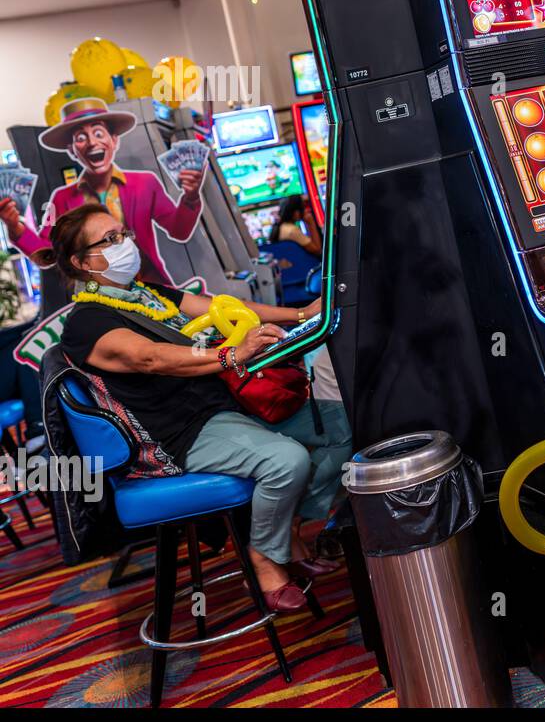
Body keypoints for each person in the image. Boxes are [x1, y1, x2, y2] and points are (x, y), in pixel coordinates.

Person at [42, 203, 350, 612]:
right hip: (180, 434)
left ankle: (286, 525)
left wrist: (300, 314)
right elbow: (150, 357)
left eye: (123, 234)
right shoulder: (86, 322)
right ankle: (263, 556)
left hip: (225, 407)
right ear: (82, 262)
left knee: (342, 427)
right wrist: (230, 355)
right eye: (110, 240)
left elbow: (223, 308)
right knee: (287, 460)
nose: (124, 245)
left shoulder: (146, 295)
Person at [0, 97, 204, 285]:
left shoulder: (145, 183)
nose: (92, 142)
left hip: (153, 286)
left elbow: (179, 231)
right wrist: (14, 225)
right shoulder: (61, 199)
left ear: (114, 140)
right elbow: (48, 252)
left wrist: (191, 197)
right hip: (101, 295)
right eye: (81, 137)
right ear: (72, 150)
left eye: (98, 133)